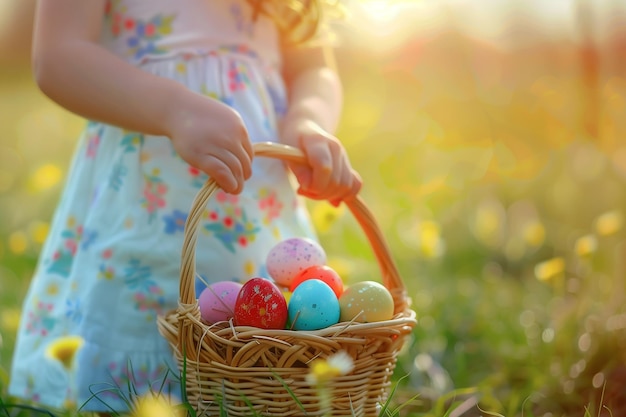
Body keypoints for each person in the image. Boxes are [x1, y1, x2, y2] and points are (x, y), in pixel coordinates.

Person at [9, 0, 362, 412]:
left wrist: (307, 119)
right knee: (139, 353)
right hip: (141, 199)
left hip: (255, 196)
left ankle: (248, 383)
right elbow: (58, 58)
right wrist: (172, 109)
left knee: (257, 322)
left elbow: (311, 64)